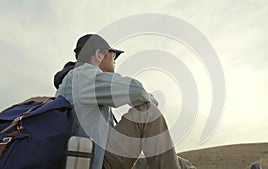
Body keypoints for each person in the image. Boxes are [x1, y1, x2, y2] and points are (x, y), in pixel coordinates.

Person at [55, 34, 196, 169]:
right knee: (147, 112)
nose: (114, 60)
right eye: (113, 55)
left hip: (98, 157)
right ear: (99, 55)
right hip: (96, 163)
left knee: (182, 164)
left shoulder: (76, 81)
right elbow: (135, 90)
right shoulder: (82, 75)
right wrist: (151, 100)